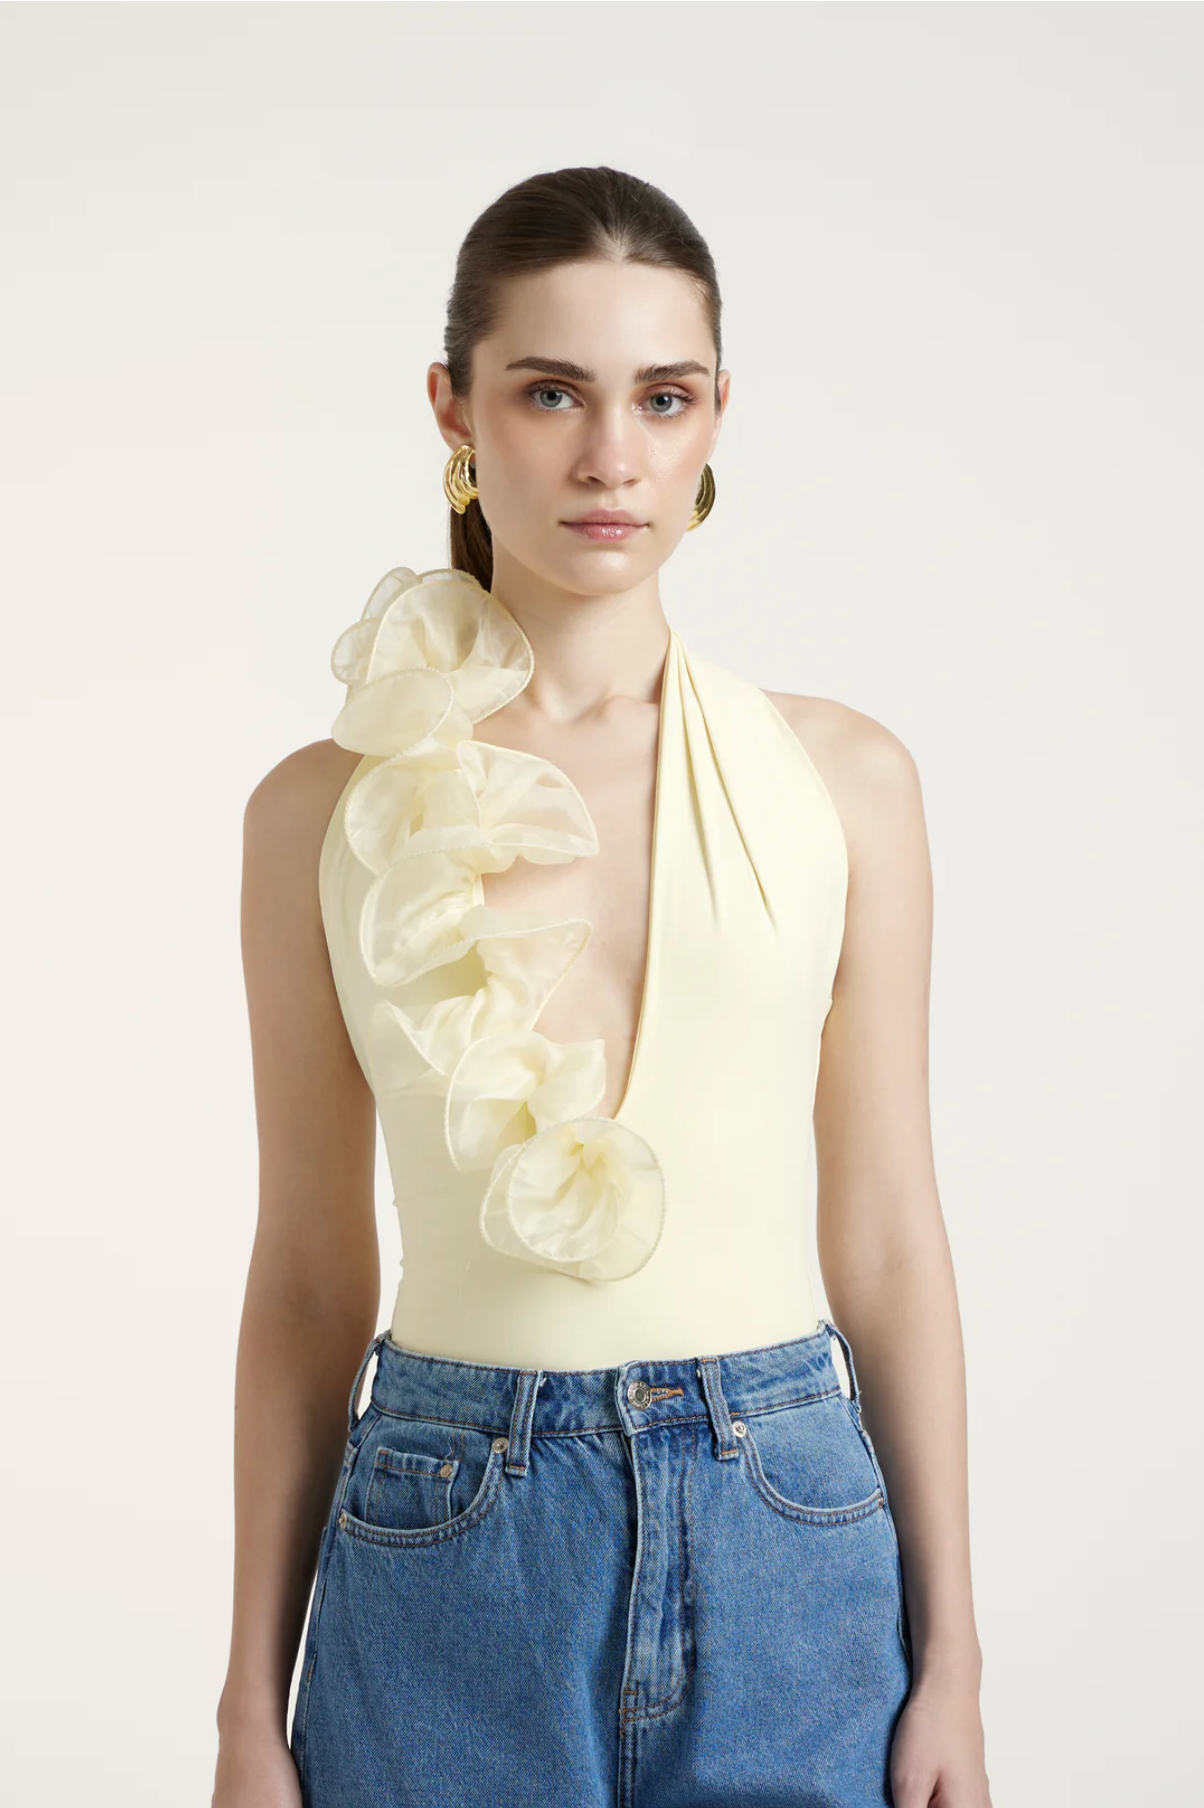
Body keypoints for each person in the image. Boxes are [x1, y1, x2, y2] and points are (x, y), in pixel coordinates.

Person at [212, 166, 992, 1808]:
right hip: (442, 1544)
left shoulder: (846, 781)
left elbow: (887, 1239)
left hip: (790, 1539)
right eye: (552, 392)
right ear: (455, 407)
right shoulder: (319, 817)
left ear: (716, 418)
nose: (611, 456)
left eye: (664, 396)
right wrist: (243, 1712)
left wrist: (957, 1668)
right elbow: (305, 1278)